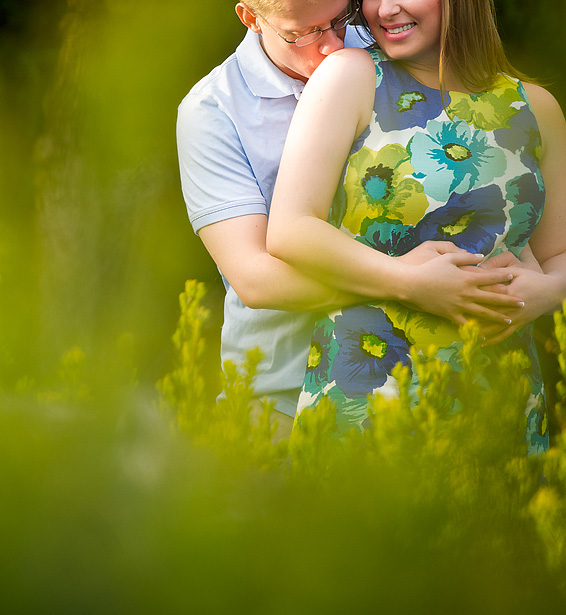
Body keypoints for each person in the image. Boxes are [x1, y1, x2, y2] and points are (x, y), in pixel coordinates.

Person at [176, 0, 526, 439]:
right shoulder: (212, 111)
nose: (332, 45)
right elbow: (255, 278)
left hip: (407, 377)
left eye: (341, 19)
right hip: (278, 393)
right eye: (303, 34)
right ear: (250, 17)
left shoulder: (385, 51)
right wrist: (406, 281)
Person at [265, 0, 566, 452]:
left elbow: (558, 254)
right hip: (368, 391)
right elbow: (290, 229)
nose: (385, 9)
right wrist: (408, 280)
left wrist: (545, 292)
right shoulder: (352, 77)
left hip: (501, 396)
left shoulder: (535, 108)